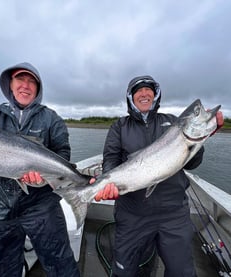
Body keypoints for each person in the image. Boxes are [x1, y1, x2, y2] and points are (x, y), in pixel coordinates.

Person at [93, 75, 224, 277]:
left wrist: (202, 139)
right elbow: (110, 160)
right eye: (138, 90)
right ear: (130, 97)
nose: (144, 93)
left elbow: (193, 163)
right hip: (132, 214)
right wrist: (107, 182)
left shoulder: (172, 122)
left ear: (156, 95)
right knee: (124, 272)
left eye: (149, 90)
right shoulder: (119, 127)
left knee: (182, 272)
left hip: (173, 214)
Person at [0, 62, 80, 277]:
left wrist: (43, 178)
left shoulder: (51, 119)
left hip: (42, 206)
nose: (25, 85)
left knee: (61, 265)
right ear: (10, 84)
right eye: (20, 79)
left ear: (38, 88)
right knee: (4, 270)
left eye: (31, 81)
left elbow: (63, 154)